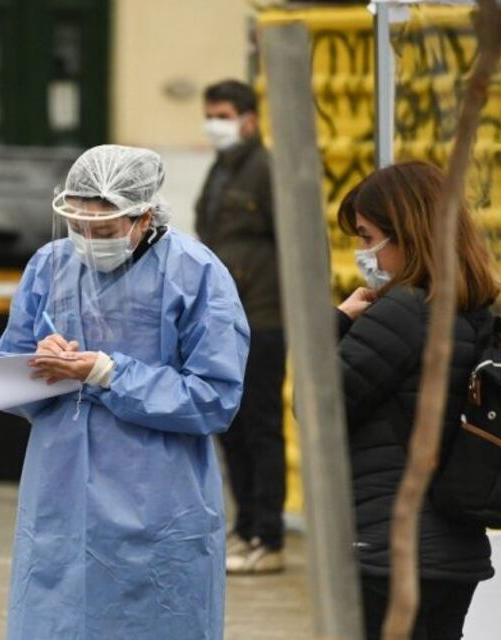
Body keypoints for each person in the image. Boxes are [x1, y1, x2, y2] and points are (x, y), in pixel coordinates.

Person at [0, 144, 250, 639]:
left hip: (159, 500)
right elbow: (7, 378)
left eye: (105, 231)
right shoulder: (50, 266)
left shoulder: (196, 274)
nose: (88, 241)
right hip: (59, 497)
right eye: (78, 227)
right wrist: (39, 365)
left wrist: (110, 374)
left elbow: (216, 397)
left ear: (143, 216)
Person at [334, 161, 498, 640]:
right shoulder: (474, 310)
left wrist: (339, 321)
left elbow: (320, 408)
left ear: (406, 233)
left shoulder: (405, 311)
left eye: (367, 237)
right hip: (453, 552)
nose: (363, 252)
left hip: (391, 551)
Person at [195, 79, 286, 574]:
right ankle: (246, 525)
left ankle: (268, 537)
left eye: (224, 114)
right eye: (210, 114)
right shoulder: (223, 170)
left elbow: (288, 240)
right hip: (225, 318)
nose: (215, 124)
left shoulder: (264, 170)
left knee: (261, 428)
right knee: (230, 426)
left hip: (264, 316)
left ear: (250, 118)